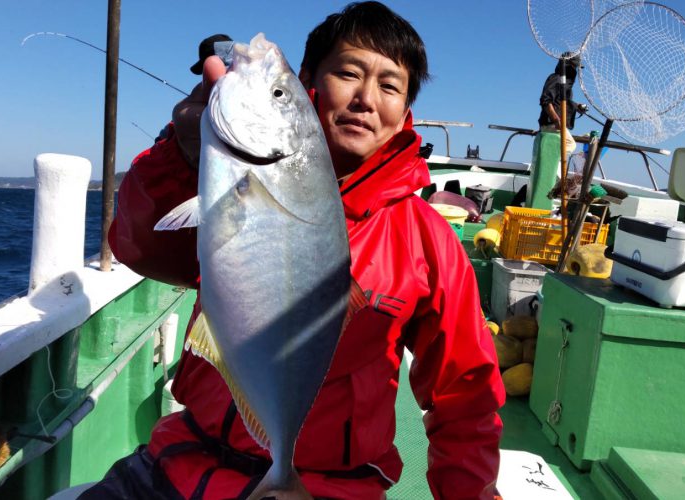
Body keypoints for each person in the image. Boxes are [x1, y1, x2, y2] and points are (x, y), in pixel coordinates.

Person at [87, 2, 504, 499]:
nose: (365, 99)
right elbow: (140, 247)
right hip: (183, 460)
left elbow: (466, 396)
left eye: (390, 86)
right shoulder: (213, 170)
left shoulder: (427, 239)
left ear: (404, 113)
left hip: (330, 488)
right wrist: (179, 156)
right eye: (348, 73)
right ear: (310, 84)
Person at [527, 52, 586, 208]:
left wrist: (577, 106)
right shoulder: (555, 78)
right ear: (566, 66)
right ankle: (556, 177)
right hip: (552, 125)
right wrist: (556, 119)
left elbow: (562, 102)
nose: (575, 71)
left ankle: (557, 176)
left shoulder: (565, 84)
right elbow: (545, 101)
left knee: (569, 146)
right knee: (570, 145)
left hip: (555, 125)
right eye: (572, 67)